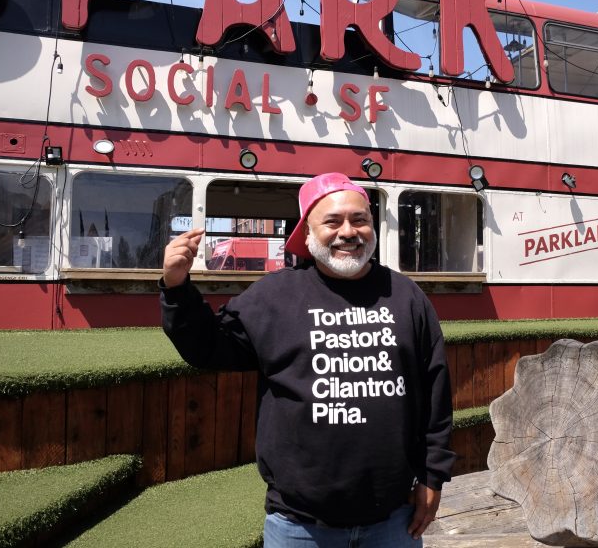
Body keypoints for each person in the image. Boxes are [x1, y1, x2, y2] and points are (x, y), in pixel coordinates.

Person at [160, 172, 455, 547]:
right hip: (299, 525)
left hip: (393, 519)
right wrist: (176, 288)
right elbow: (206, 348)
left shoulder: (406, 296)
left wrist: (433, 476)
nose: (348, 231)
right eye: (332, 221)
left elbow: (435, 392)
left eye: (359, 219)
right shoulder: (272, 296)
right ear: (308, 233)